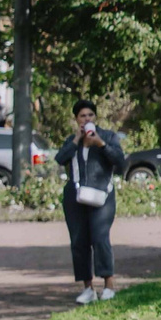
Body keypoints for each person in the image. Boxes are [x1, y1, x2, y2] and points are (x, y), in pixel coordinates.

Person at [58, 100, 126, 303]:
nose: (87, 119)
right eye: (82, 116)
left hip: (102, 196)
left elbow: (120, 162)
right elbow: (61, 159)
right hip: (75, 197)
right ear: (76, 119)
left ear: (95, 118)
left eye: (90, 115)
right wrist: (77, 140)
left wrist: (101, 144)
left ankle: (109, 285)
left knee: (100, 238)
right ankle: (88, 288)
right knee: (79, 242)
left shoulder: (108, 137)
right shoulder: (73, 140)